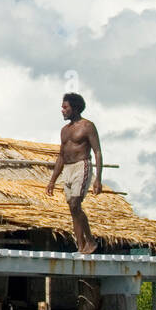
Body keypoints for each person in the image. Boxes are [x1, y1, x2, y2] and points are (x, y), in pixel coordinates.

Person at [45, 92, 102, 254]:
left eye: (65, 107)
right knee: (72, 207)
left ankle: (90, 240)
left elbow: (97, 151)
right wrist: (52, 181)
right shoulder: (64, 130)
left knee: (76, 203)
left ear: (75, 108)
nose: (62, 110)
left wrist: (98, 178)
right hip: (68, 169)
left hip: (81, 165)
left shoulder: (87, 126)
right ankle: (81, 246)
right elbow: (61, 156)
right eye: (62, 107)